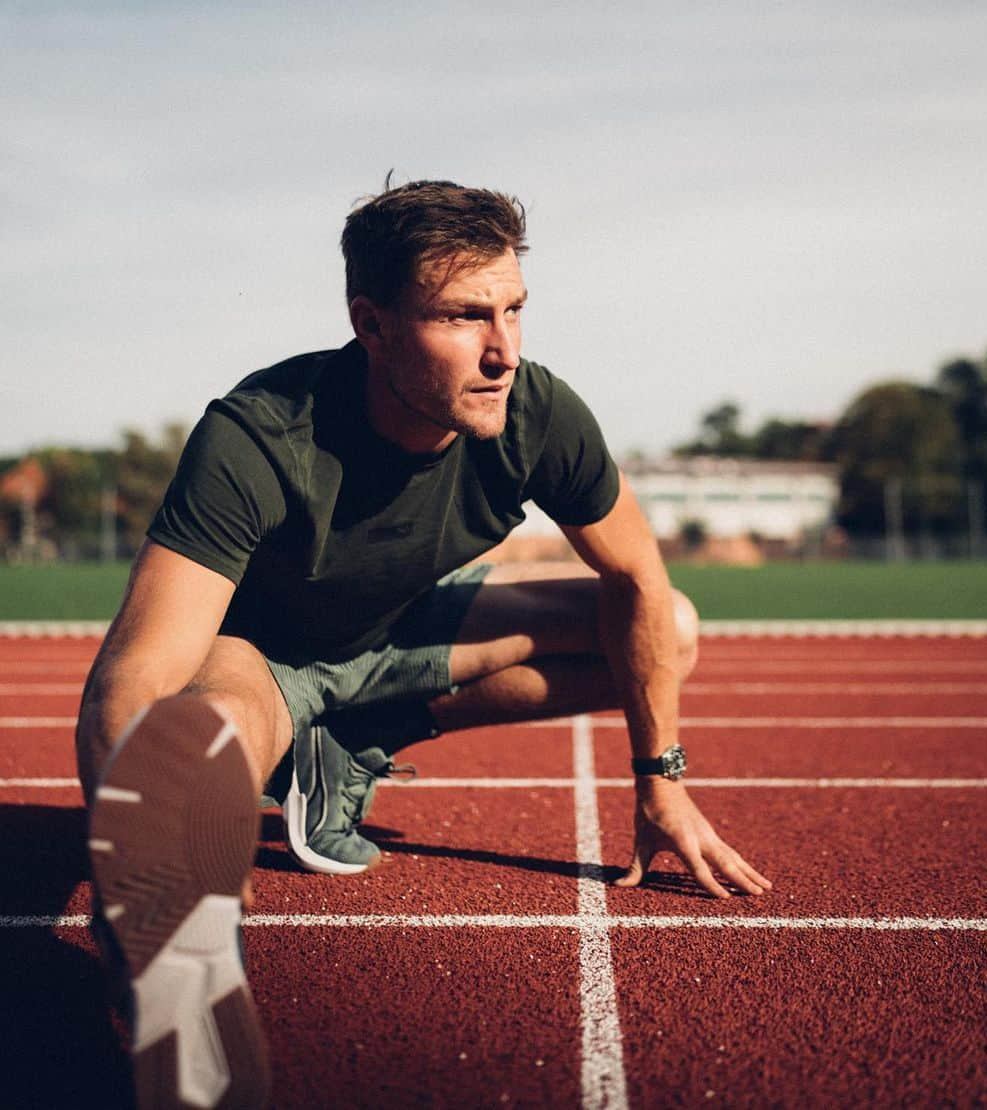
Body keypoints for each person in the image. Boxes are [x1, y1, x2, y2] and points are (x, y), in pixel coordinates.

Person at [76, 179, 772, 1109]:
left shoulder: (537, 414)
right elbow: (136, 674)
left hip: (399, 628)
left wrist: (662, 779)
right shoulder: (259, 435)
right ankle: (186, 935)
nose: (503, 351)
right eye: (462, 316)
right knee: (213, 727)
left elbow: (639, 582)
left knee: (670, 626)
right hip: (264, 656)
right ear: (371, 323)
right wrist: (161, 861)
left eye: (515, 310)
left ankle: (354, 743)